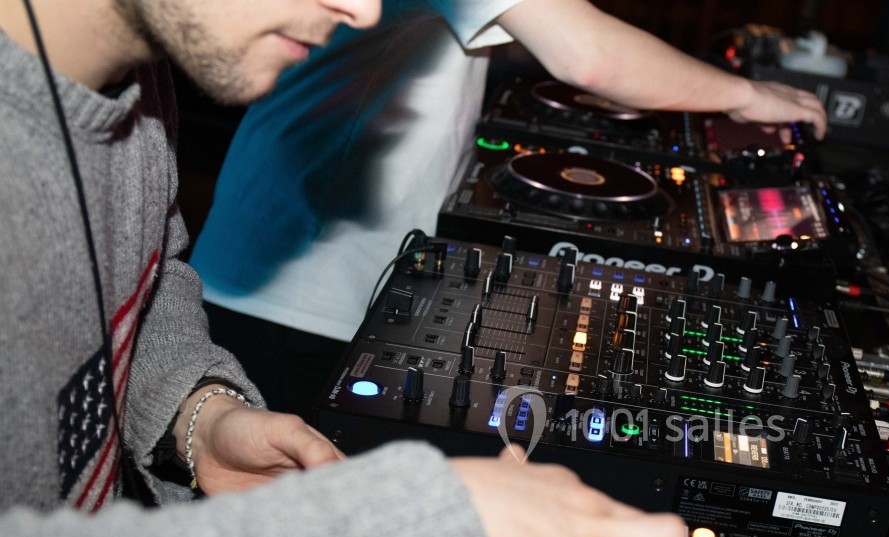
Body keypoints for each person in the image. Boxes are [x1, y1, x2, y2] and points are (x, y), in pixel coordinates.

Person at [0, 1, 692, 537]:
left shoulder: (133, 84)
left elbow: (145, 282)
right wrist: (426, 534)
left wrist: (196, 413)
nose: (366, 8)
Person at [191, 0, 829, 414]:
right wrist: (743, 95)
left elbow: (505, 35)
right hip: (291, 295)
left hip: (295, 266)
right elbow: (590, 58)